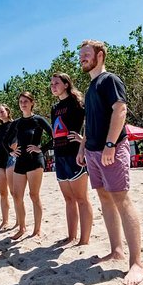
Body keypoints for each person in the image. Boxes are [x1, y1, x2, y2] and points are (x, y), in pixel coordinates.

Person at [76, 39, 143, 285]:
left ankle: (137, 263)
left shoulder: (109, 80)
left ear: (100, 55)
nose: (82, 58)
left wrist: (110, 144)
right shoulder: (90, 87)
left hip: (110, 150)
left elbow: (120, 110)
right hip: (93, 152)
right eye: (81, 55)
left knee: (121, 199)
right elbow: (91, 120)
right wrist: (83, 147)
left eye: (86, 54)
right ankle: (117, 250)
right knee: (105, 199)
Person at [50, 72, 93, 246]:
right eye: (51, 84)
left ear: (66, 84)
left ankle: (84, 240)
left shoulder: (77, 104)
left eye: (56, 83)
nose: (53, 86)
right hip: (59, 156)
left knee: (81, 198)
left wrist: (83, 140)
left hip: (75, 155)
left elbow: (92, 122)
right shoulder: (54, 108)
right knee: (68, 199)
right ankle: (71, 236)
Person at [5, 91, 52, 240]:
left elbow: (55, 135)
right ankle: (22, 228)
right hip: (20, 162)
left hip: (34, 161)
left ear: (32, 103)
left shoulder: (38, 120)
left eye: (26, 101)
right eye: (20, 102)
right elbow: (5, 141)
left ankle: (37, 229)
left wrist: (42, 149)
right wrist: (11, 152)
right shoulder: (16, 123)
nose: (23, 104)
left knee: (34, 195)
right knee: (17, 196)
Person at [0, 104, 16, 230]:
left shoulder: (15, 124)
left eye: (2, 111)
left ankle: (18, 221)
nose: (0, 113)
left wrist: (13, 151)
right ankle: (5, 221)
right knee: (2, 193)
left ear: (7, 111)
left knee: (14, 192)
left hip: (11, 160)